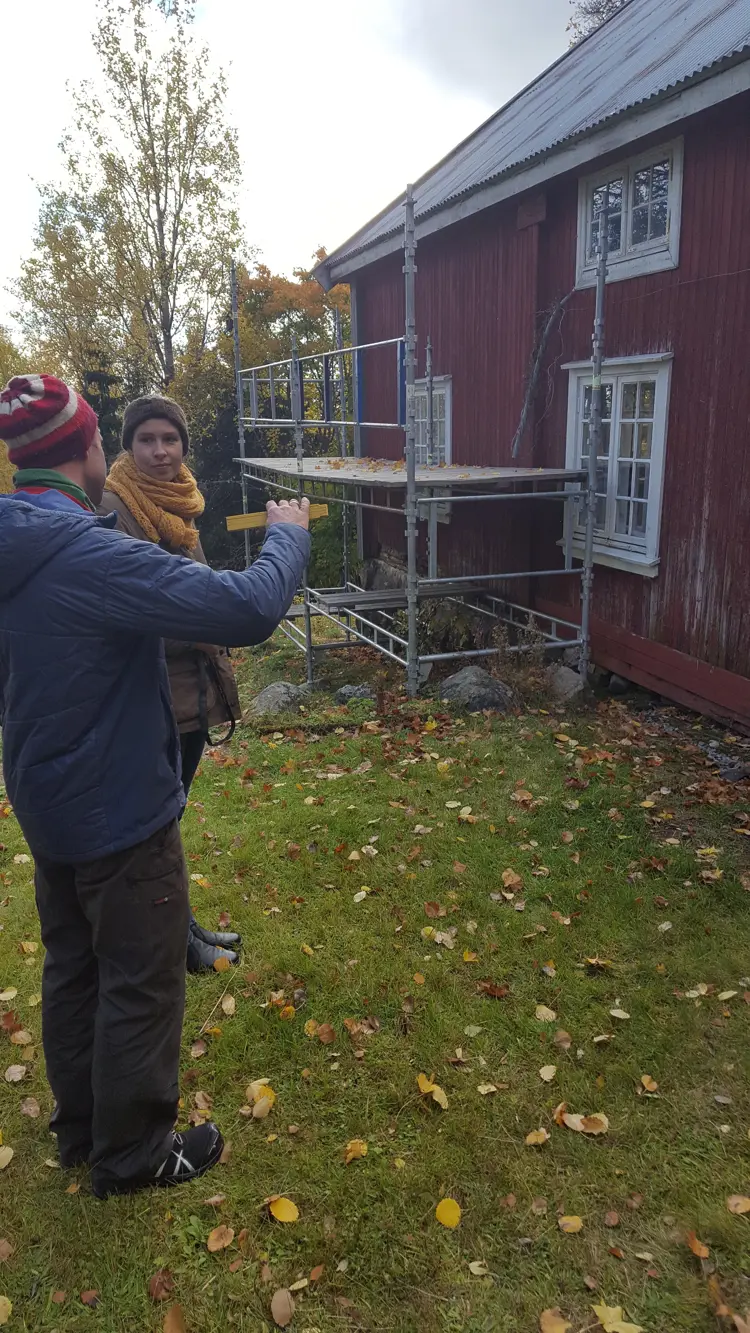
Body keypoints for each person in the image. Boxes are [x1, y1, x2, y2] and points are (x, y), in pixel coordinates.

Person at [0, 373, 310, 1198]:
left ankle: (80, 1130)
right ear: (88, 448)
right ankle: (132, 1151)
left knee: (73, 964)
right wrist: (289, 537)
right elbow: (244, 609)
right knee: (139, 974)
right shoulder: (90, 553)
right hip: (119, 807)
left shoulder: (13, 542)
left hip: (45, 800)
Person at [99, 396, 243, 973]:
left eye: (169, 439)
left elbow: (193, 588)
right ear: (127, 447)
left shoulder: (179, 502)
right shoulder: (116, 508)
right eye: (146, 440)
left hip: (190, 693)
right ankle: (175, 941)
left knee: (170, 821)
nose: (160, 451)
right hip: (152, 696)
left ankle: (183, 926)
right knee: (157, 829)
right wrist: (213, 615)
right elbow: (135, 613)